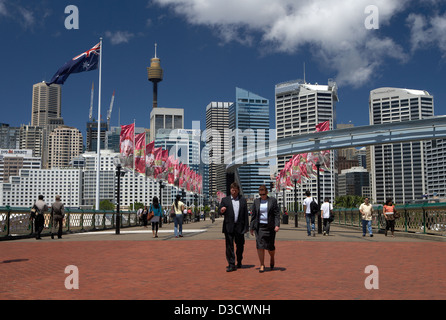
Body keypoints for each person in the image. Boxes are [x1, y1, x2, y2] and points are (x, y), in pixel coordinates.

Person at [218, 182, 249, 272]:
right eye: (232, 190)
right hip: (229, 226)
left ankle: (239, 260)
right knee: (229, 246)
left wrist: (246, 227)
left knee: (240, 246)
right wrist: (221, 210)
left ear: (238, 190)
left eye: (235, 190)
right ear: (230, 190)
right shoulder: (225, 200)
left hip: (239, 227)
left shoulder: (242, 200)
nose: (234, 191)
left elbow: (245, 215)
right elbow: (219, 211)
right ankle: (231, 264)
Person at [250, 185, 280, 273]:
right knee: (260, 246)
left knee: (270, 247)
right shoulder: (256, 202)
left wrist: (277, 225)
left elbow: (276, 214)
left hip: (270, 227)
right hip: (259, 227)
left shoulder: (273, 201)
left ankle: (272, 257)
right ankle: (262, 264)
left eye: (263, 194)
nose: (262, 196)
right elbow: (254, 215)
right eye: (260, 194)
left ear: (266, 192)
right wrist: (251, 227)